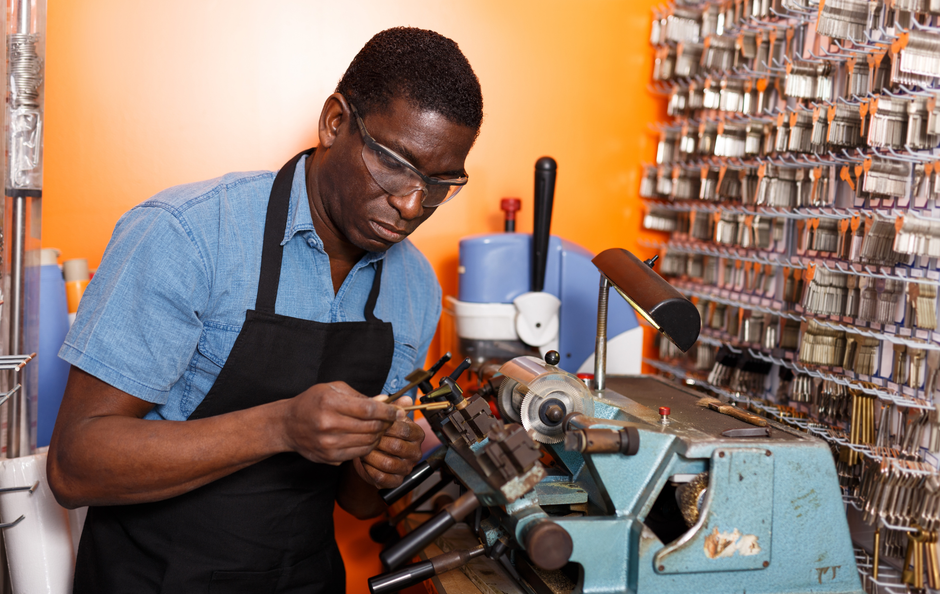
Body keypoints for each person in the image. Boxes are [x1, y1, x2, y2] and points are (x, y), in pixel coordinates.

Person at [47, 26, 483, 593]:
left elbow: (357, 505)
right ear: (334, 123)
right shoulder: (190, 234)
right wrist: (282, 426)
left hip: (302, 578)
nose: (410, 204)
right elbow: (74, 466)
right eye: (396, 165)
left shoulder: (415, 285)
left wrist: (382, 461)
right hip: (157, 577)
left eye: (440, 183)